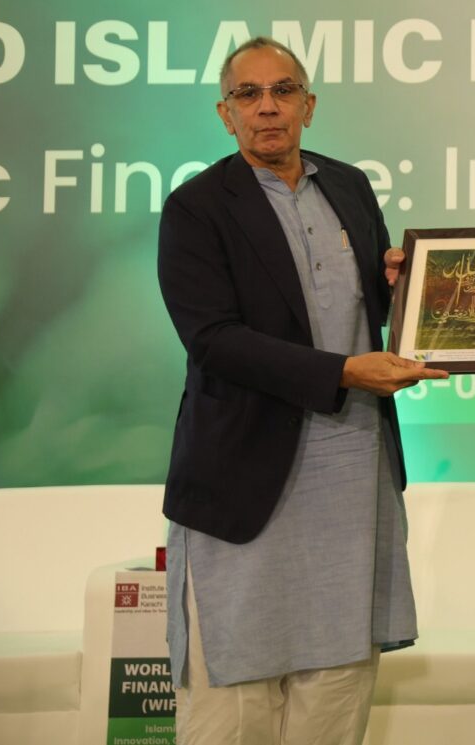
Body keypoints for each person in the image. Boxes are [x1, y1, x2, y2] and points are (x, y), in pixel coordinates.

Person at [157, 36, 447, 745]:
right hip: (243, 479)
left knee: (335, 697)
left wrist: (433, 280)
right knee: (231, 710)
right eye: (248, 94)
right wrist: (343, 372)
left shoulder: (348, 186)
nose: (267, 107)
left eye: (283, 91)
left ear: (308, 105)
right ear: (225, 113)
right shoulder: (197, 207)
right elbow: (213, 339)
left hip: (351, 473)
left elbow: (370, 304)